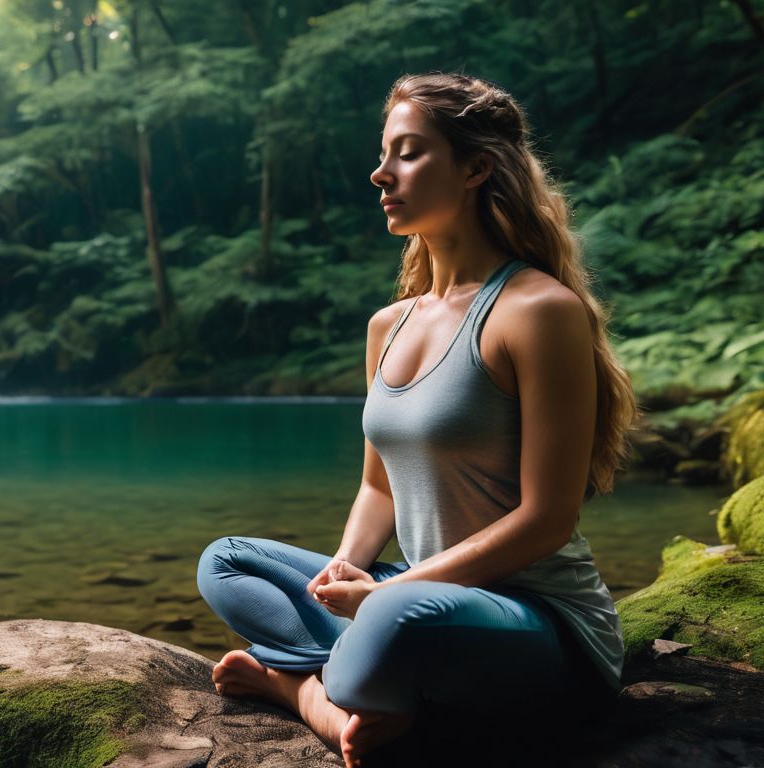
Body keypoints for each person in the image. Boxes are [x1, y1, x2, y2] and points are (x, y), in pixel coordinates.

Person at [196, 72, 637, 768]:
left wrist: (385, 593)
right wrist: (347, 565)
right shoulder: (389, 325)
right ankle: (370, 670)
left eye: (407, 153)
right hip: (416, 592)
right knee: (225, 560)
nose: (380, 173)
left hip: (539, 623)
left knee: (394, 618)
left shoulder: (537, 311)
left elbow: (547, 520)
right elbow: (379, 487)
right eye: (384, 153)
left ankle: (300, 691)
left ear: (475, 168)